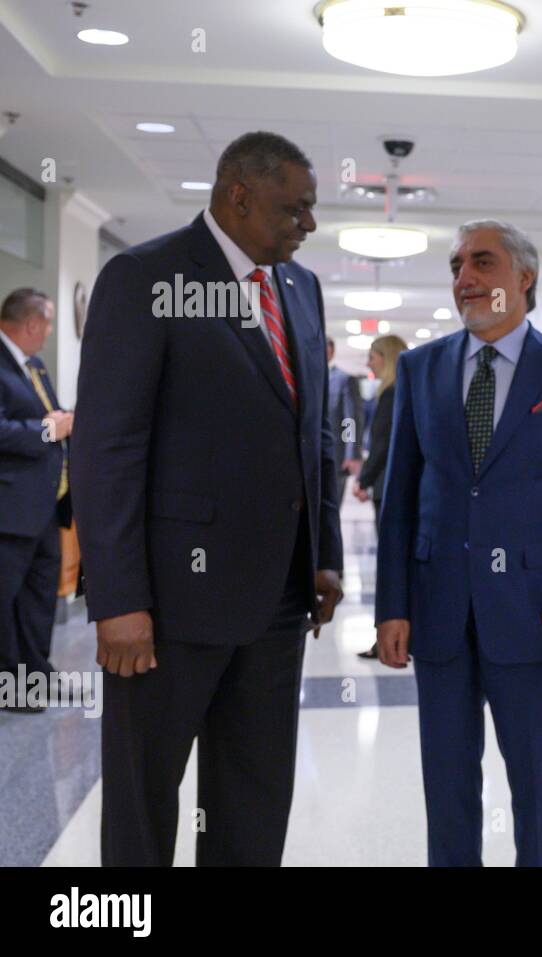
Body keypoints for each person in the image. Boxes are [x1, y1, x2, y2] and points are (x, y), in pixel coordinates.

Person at [71, 130, 344, 866]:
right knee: (143, 804)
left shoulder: (302, 289)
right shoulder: (146, 276)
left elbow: (313, 435)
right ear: (238, 197)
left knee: (254, 800)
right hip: (166, 609)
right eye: (294, 210)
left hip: (278, 604)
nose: (307, 226)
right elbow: (106, 448)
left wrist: (323, 556)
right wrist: (118, 600)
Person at [374, 219, 542, 867]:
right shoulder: (421, 370)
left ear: (524, 278)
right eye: (456, 266)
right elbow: (398, 500)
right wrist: (391, 608)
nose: (464, 279)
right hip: (438, 613)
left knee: (537, 782)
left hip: (533, 616)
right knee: (447, 783)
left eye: (481, 263)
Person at [0, 288, 73, 713]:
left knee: (40, 596)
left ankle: (36, 675)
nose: (47, 333)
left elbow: (51, 415)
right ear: (31, 323)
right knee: (6, 601)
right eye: (46, 324)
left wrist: (66, 423)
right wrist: (49, 430)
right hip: (10, 511)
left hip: (45, 505)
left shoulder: (35, 366)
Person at [355, 334, 407, 661]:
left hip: (387, 488)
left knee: (390, 563)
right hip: (395, 486)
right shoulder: (403, 391)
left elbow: (383, 445)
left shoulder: (391, 394)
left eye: (372, 356)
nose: (368, 363)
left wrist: (364, 479)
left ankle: (388, 638)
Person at [327, 337, 363, 501]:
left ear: (331, 351)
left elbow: (350, 419)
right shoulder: (306, 377)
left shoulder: (344, 379)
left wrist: (352, 453)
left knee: (332, 503)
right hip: (310, 451)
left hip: (336, 452)